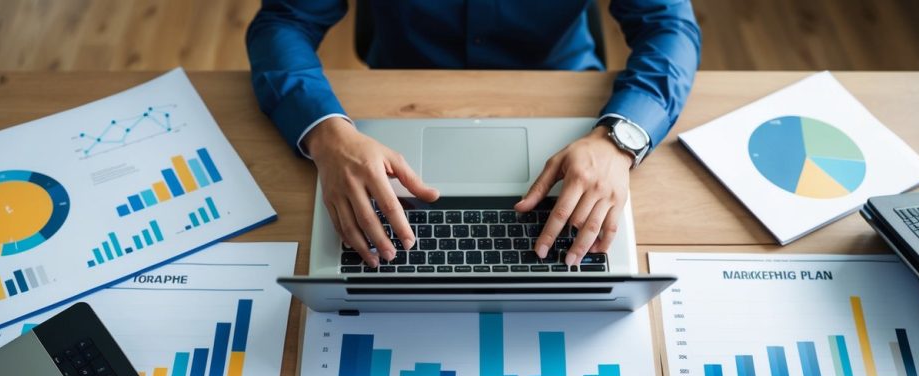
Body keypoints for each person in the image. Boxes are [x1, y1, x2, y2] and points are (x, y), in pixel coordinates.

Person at [247, 0, 700, 268]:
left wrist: (619, 140)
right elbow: (284, 21)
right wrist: (326, 133)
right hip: (400, 95)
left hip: (565, 97)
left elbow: (668, 24)